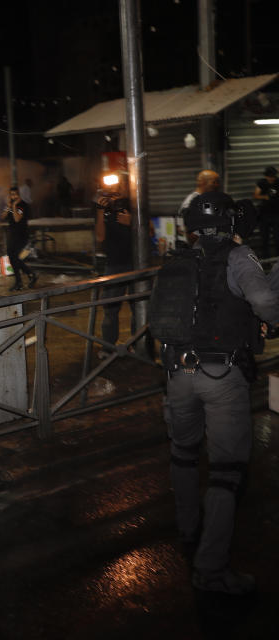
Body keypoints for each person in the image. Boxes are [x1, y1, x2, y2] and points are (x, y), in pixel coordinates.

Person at [162, 192, 279, 595]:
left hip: (178, 374)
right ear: (230, 222)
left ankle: (189, 531)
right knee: (227, 472)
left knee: (184, 455)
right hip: (222, 376)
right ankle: (211, 571)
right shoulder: (238, 256)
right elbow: (264, 299)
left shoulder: (180, 258)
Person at [95, 192, 134, 358]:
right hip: (114, 265)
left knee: (139, 307)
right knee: (110, 308)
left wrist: (131, 223)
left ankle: (138, 345)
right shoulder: (105, 213)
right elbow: (100, 237)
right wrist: (99, 212)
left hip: (136, 265)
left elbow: (150, 233)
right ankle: (108, 347)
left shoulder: (134, 208)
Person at [0, 186, 37, 291]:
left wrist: (14, 206)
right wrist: (8, 207)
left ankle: (27, 276)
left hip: (21, 235)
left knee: (16, 258)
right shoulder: (10, 205)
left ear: (19, 195)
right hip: (13, 235)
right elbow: (3, 216)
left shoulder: (22, 206)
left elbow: (17, 219)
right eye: (11, 194)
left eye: (15, 194)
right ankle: (22, 280)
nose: (13, 196)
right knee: (12, 257)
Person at [177, 169, 221, 250]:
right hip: (198, 252)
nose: (217, 185)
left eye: (218, 182)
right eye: (214, 182)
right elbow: (191, 233)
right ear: (201, 182)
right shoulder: (193, 202)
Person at [253, 166, 279, 257]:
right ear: (266, 176)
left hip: (276, 214)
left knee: (277, 237)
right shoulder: (262, 182)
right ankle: (265, 258)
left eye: (273, 176)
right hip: (265, 214)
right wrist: (265, 197)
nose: (271, 178)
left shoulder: (278, 182)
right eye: (270, 176)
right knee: (264, 238)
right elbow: (256, 195)